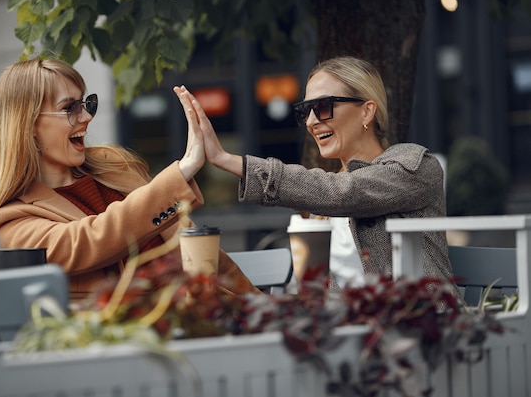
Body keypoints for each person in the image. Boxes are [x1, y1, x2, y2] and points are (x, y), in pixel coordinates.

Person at [0, 57, 259, 302]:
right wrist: (183, 170)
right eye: (70, 108)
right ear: (29, 126)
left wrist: (263, 308)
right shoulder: (11, 224)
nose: (86, 116)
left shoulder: (117, 169)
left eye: (86, 104)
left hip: (205, 325)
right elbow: (90, 238)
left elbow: (209, 258)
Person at [177, 55, 455, 289]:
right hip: (345, 336)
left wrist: (225, 159)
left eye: (322, 107)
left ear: (367, 112)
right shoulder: (322, 201)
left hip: (418, 330)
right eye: (306, 110)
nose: (310, 121)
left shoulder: (416, 165)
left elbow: (346, 193)